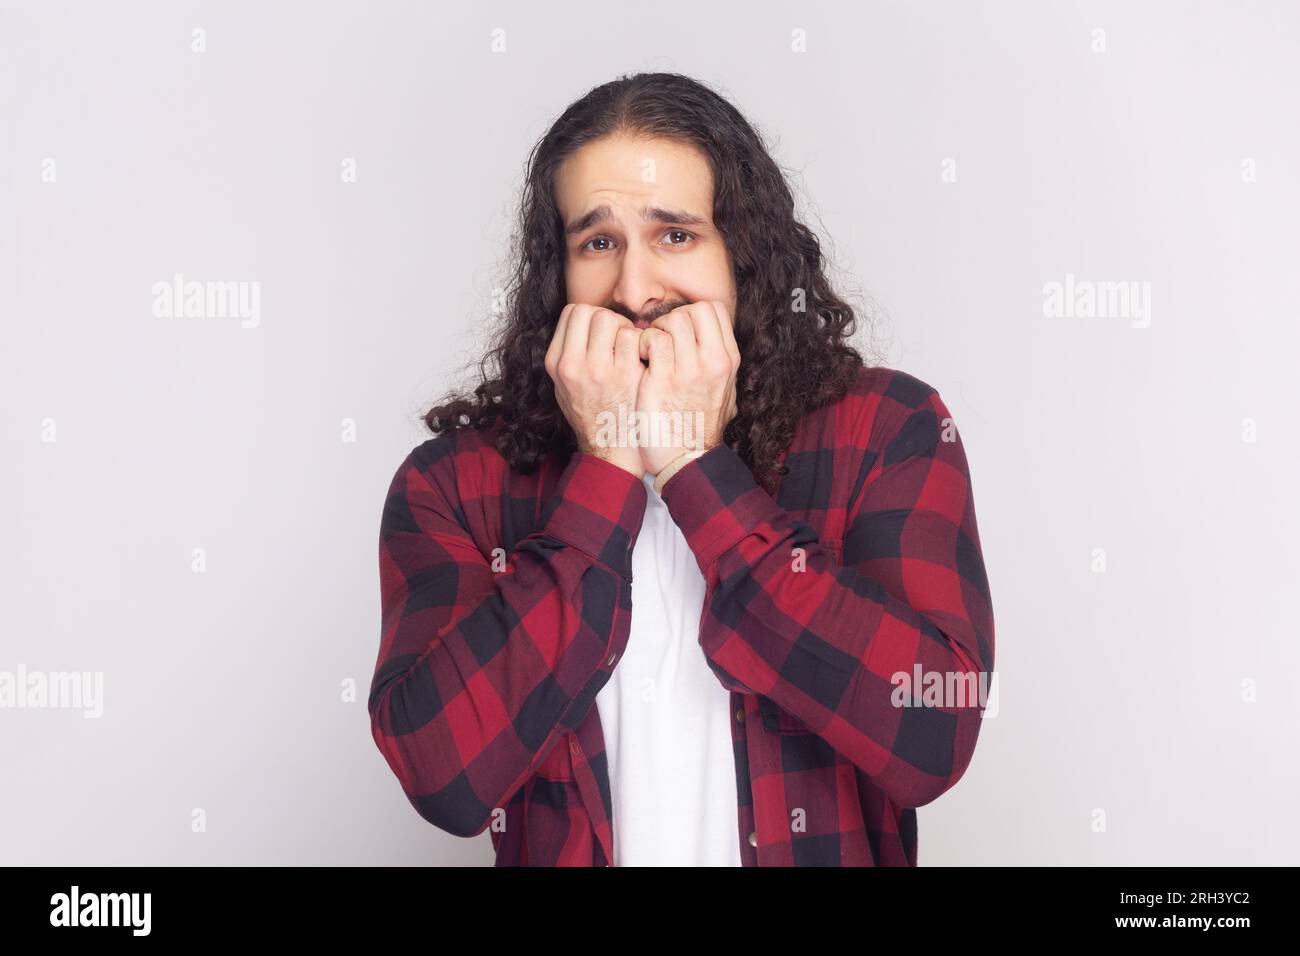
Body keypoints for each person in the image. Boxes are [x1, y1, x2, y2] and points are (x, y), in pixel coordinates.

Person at [368, 72, 995, 866]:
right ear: (556, 276)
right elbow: (442, 776)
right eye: (599, 243)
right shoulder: (453, 484)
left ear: (744, 257)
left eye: (676, 235)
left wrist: (696, 467)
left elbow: (932, 735)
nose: (636, 290)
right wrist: (605, 468)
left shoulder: (888, 430)